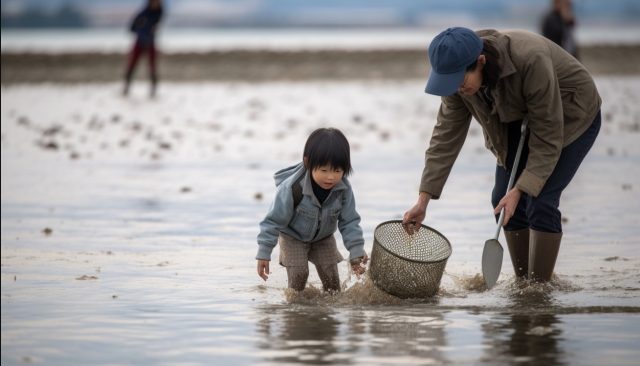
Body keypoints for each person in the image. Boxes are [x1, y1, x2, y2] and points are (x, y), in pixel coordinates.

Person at [403, 27, 601, 282]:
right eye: (450, 84)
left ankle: (538, 289)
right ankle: (523, 281)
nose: (457, 89)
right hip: (518, 117)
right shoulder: (456, 80)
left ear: (481, 61)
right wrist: (424, 198)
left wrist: (520, 189)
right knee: (501, 201)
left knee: (539, 200)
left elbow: (548, 134)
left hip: (571, 114)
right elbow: (445, 138)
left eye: (461, 82)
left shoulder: (530, 59)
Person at [256, 128, 368, 292]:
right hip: (293, 236)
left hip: (324, 237)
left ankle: (326, 314)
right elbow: (272, 221)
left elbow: (349, 221)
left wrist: (357, 253)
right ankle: (295, 313)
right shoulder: (291, 188)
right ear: (308, 163)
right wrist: (263, 254)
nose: (331, 177)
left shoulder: (343, 189)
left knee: (332, 283)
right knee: (299, 277)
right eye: (324, 170)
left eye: (337, 170)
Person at [123, 0, 163, 98]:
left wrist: (149, 31)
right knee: (132, 64)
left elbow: (154, 27)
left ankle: (153, 91)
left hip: (150, 42)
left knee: (152, 66)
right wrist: (141, 30)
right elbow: (131, 27)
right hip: (140, 42)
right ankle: (126, 88)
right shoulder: (143, 13)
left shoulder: (159, 13)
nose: (155, 4)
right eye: (154, 2)